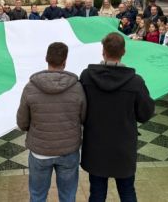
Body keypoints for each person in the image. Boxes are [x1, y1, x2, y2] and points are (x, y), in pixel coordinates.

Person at [80, 33, 155, 201]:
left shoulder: (86, 76)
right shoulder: (135, 82)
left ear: (103, 52)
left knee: (97, 193)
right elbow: (145, 114)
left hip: (95, 144)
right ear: (124, 52)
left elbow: (79, 110)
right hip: (123, 146)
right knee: (127, 191)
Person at [16, 42, 86, 202]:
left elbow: (22, 123)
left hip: (40, 151)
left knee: (37, 196)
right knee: (68, 196)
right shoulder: (77, 87)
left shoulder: (30, 87)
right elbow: (83, 118)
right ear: (65, 61)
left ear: (46, 59)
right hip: (68, 151)